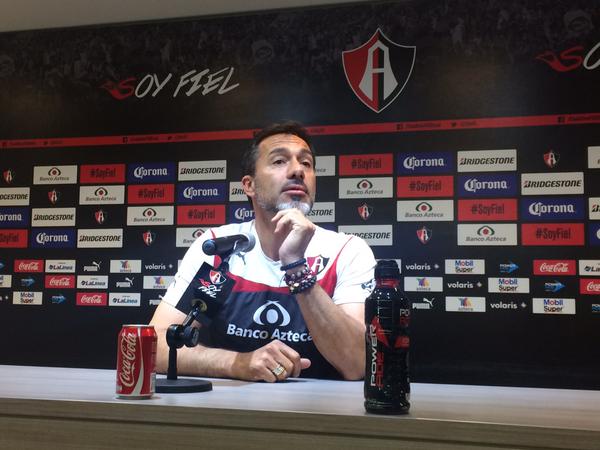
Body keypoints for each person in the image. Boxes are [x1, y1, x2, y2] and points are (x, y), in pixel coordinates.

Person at [150, 121, 376, 381]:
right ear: (250, 185)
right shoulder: (219, 248)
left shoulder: (346, 251)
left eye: (306, 163)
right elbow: (157, 346)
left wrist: (295, 266)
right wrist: (237, 363)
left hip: (323, 406)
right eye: (279, 161)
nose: (297, 171)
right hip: (233, 405)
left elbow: (356, 362)